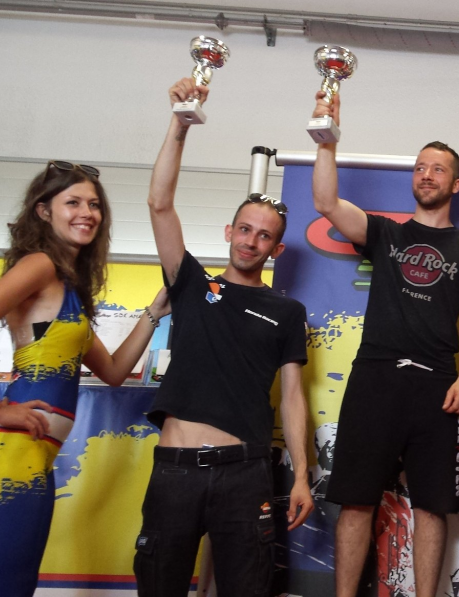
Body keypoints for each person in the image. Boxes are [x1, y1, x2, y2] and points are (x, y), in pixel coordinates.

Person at [132, 78, 313, 596]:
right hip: (175, 471)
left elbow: (293, 397)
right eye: (245, 229)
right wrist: (180, 124)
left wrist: (302, 475)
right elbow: (159, 204)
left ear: (276, 250)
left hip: (245, 475)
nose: (251, 241)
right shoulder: (193, 285)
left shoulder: (287, 311)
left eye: (264, 235)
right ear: (229, 232)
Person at [0, 161, 170, 596]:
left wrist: (154, 311)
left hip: (30, 453)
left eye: (94, 205)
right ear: (44, 211)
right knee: (5, 588)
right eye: (73, 202)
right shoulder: (40, 265)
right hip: (10, 450)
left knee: (14, 587)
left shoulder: (68, 288)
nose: (87, 213)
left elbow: (114, 372)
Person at [310, 91, 459, 597]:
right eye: (420, 168)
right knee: (356, 500)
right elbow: (325, 203)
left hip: (437, 386)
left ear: (455, 184)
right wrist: (327, 139)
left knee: (433, 506)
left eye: (438, 169)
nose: (427, 175)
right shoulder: (385, 234)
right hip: (375, 377)